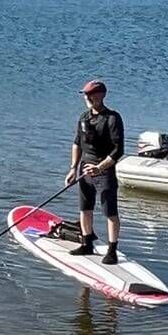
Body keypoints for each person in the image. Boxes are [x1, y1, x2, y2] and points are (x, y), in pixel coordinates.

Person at [66, 78, 124, 265]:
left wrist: (100, 167)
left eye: (91, 94)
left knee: (110, 211)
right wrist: (73, 168)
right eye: (86, 94)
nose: (88, 97)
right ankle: (86, 242)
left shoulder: (112, 118)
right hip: (85, 169)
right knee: (85, 208)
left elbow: (118, 150)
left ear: (101, 95)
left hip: (104, 170)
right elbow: (77, 144)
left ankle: (112, 250)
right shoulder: (84, 117)